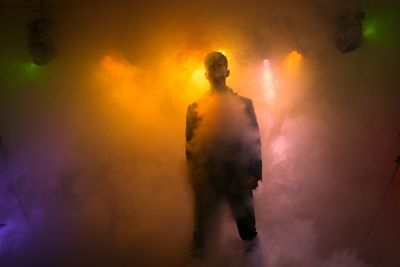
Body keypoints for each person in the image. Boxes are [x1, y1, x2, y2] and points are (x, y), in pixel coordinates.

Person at [185, 51, 262, 259]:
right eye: (213, 68)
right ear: (206, 74)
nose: (217, 73)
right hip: (208, 177)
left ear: (228, 71)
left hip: (238, 176)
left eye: (220, 67)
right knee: (202, 231)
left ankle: (255, 263)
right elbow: (190, 147)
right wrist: (194, 177)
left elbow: (254, 140)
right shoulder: (194, 109)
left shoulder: (244, 104)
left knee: (247, 230)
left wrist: (254, 173)